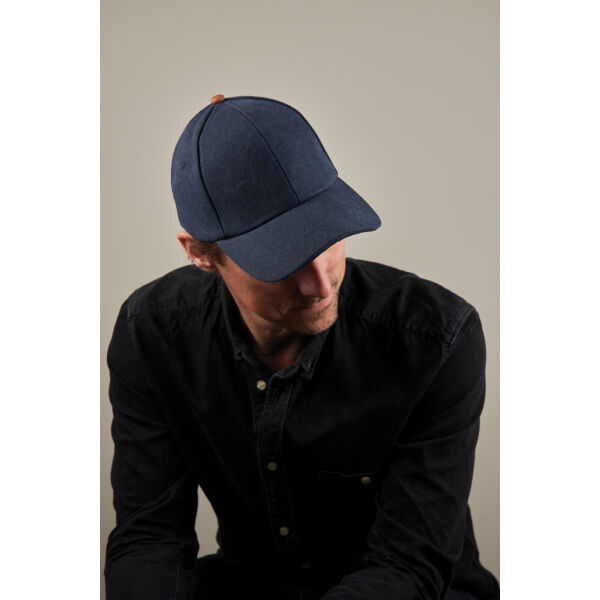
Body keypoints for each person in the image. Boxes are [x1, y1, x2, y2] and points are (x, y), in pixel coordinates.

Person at [104, 94, 499, 600]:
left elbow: (408, 564)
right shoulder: (151, 334)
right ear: (201, 253)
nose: (321, 284)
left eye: (326, 237)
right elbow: (149, 539)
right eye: (282, 257)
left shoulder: (435, 338)